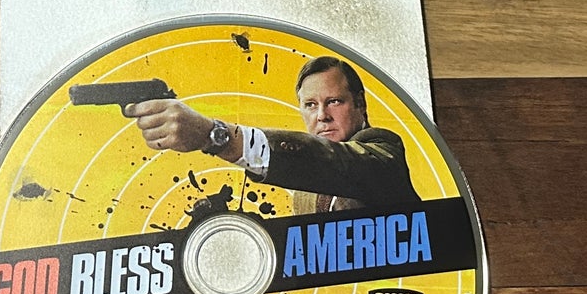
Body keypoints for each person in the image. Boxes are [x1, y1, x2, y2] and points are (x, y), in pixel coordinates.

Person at [126, 55, 421, 214]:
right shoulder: (303, 191)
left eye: (334, 101)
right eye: (310, 105)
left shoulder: (384, 149)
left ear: (360, 104)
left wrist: (214, 135)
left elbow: (335, 162)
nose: (322, 115)